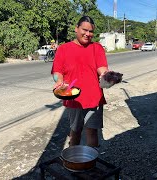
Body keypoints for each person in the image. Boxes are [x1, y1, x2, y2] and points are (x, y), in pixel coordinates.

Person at [51, 16, 109, 148]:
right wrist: (59, 81)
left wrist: (106, 75)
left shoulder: (97, 48)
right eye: (84, 30)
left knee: (92, 132)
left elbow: (102, 68)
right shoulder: (64, 49)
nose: (88, 34)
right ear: (76, 29)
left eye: (91, 31)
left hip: (95, 97)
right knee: (75, 131)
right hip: (74, 98)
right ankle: (74, 161)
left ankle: (91, 163)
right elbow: (57, 71)